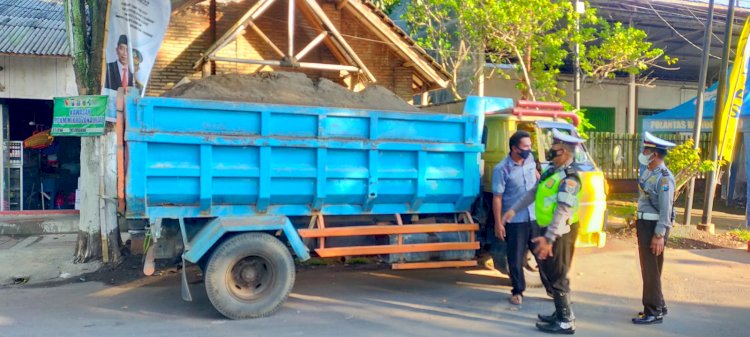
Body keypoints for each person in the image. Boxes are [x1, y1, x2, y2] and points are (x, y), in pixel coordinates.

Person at [502, 129, 584, 334]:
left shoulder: (570, 178)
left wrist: (549, 238)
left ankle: (566, 320)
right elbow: (534, 193)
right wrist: (513, 209)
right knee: (549, 271)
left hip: (560, 232)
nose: (549, 151)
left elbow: (562, 209)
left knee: (558, 274)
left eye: (554, 149)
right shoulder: (552, 171)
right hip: (547, 228)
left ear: (565, 152)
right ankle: (560, 312)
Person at [492, 130, 550, 305]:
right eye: (525, 147)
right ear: (514, 148)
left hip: (534, 217)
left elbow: (536, 177)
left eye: (530, 146)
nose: (529, 149)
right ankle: (518, 291)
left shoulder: (530, 160)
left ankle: (553, 290)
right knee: (515, 258)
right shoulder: (502, 169)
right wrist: (498, 223)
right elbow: (497, 197)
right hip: (515, 220)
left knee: (542, 254)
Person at [632, 132, 676, 325]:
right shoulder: (649, 172)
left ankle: (654, 311)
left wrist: (659, 234)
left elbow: (667, 208)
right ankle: (659, 304)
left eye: (646, 150)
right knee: (650, 269)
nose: (643, 153)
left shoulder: (665, 178)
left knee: (650, 269)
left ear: (655, 154)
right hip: (644, 224)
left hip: (654, 227)